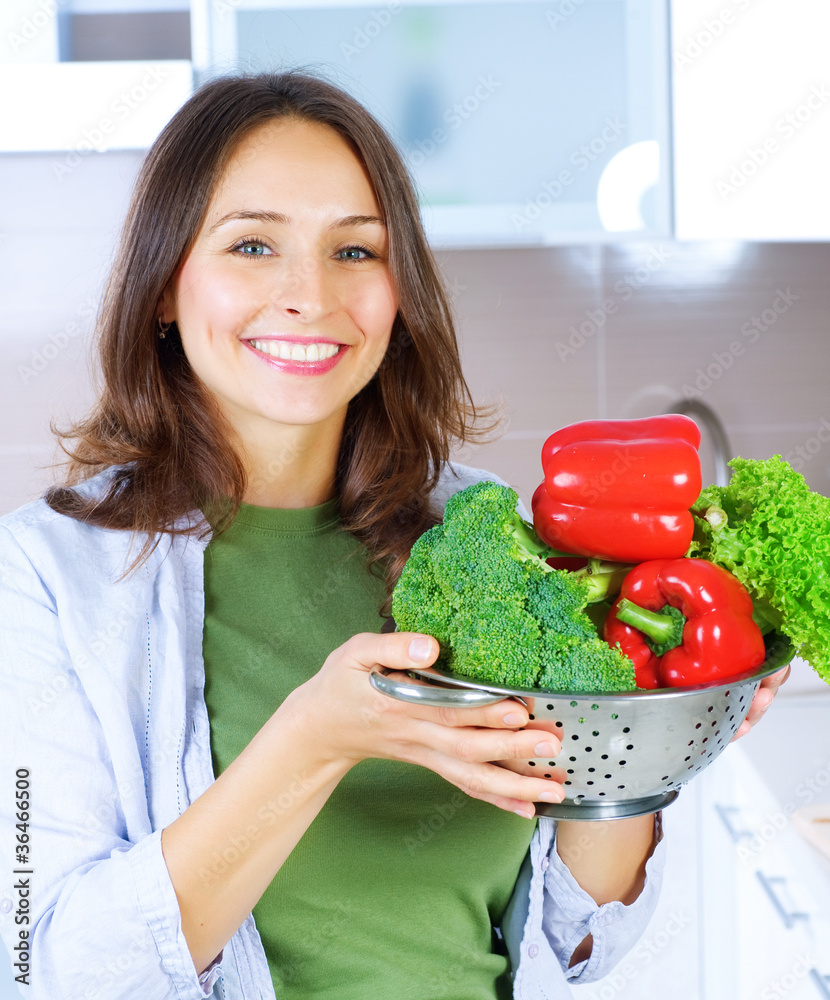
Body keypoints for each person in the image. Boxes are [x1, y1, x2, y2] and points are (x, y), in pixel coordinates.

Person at [0, 70, 785, 1000]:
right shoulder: (50, 576)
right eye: (252, 245)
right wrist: (316, 740)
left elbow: (581, 937)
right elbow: (38, 965)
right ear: (164, 287)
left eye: (357, 253)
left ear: (400, 291)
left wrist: (648, 751)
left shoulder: (485, 535)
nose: (308, 296)